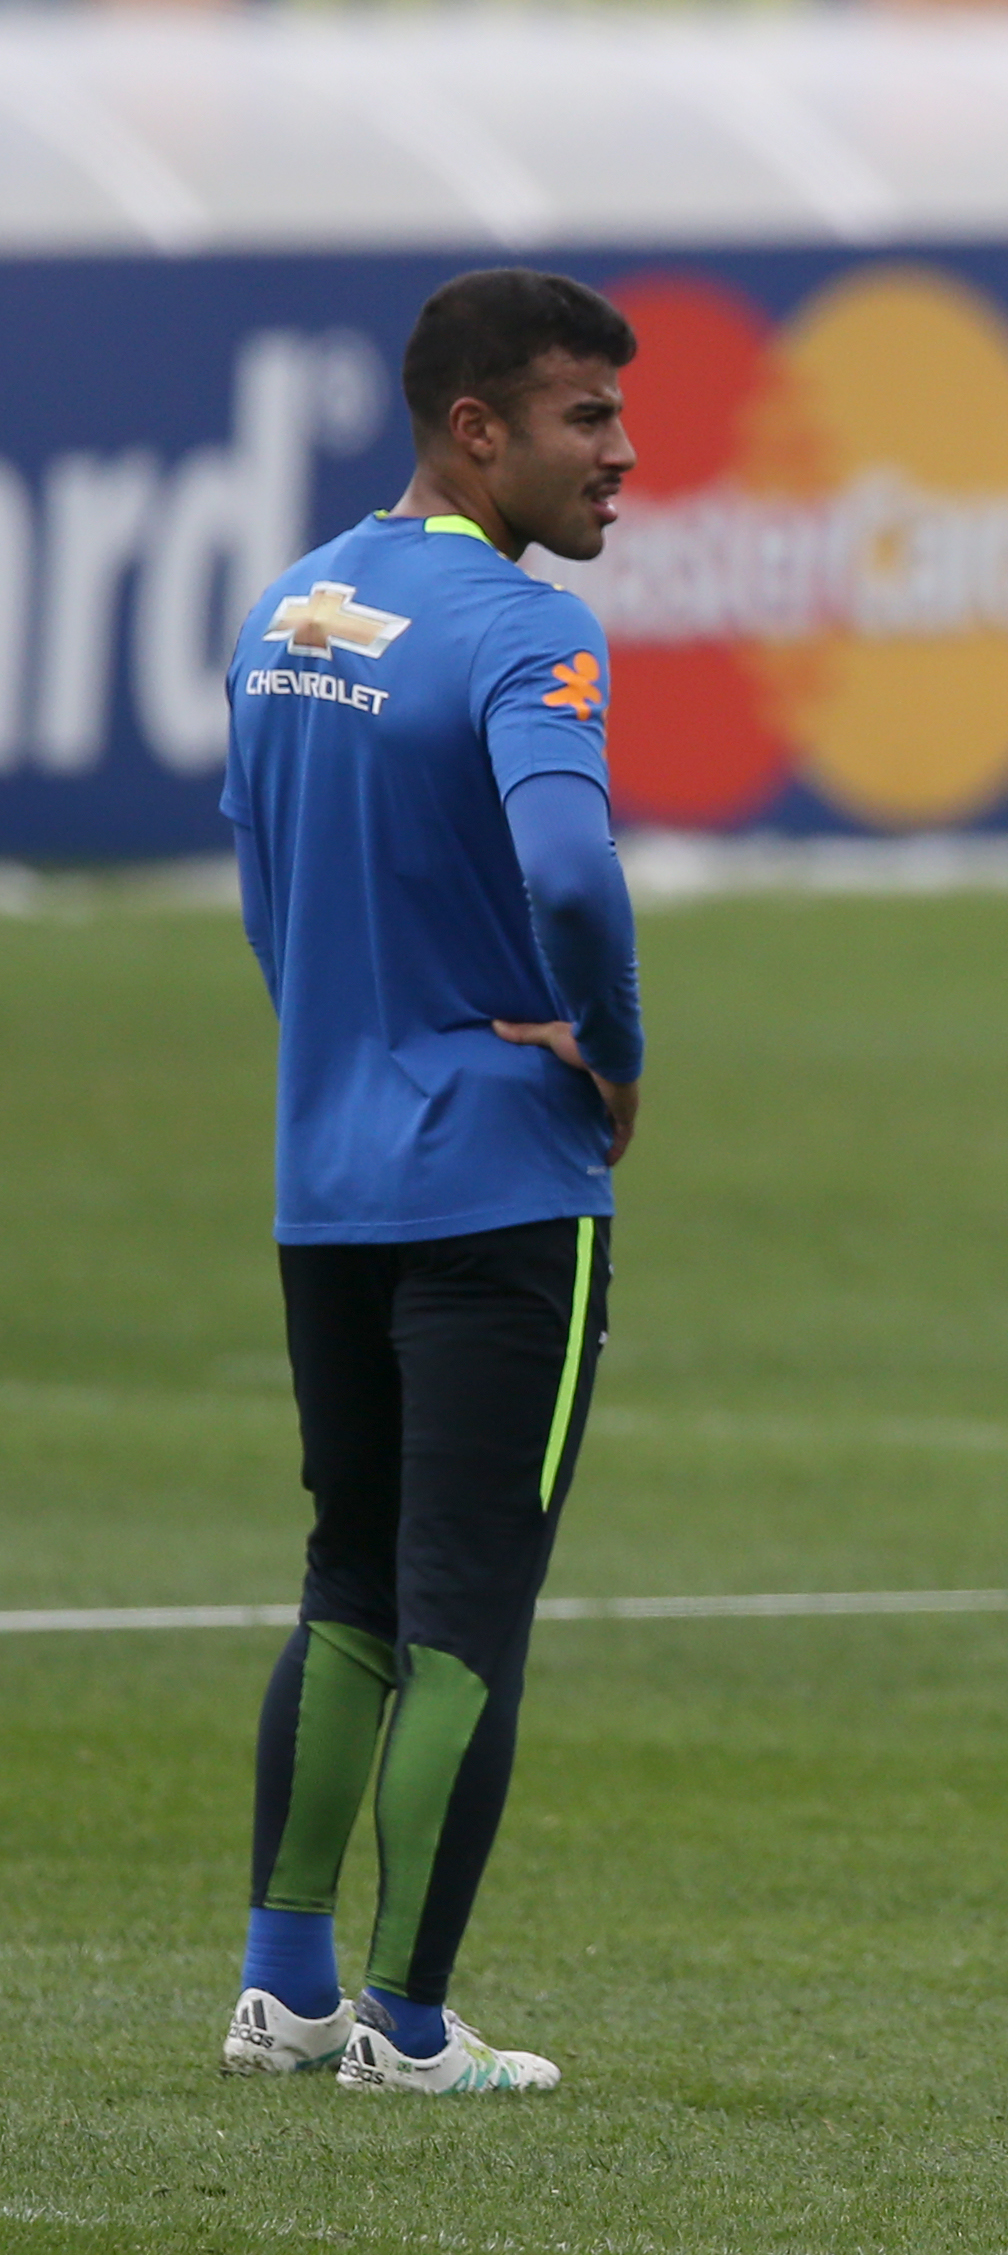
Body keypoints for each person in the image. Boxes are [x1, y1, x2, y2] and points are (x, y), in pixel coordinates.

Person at [214, 269, 644, 2095]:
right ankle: (402, 2023)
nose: (623, 458)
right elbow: (572, 873)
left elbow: (266, 885)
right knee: (467, 1604)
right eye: (584, 420)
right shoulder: (516, 631)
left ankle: (281, 1988)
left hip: (329, 1176)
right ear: (477, 430)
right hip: (496, 1189)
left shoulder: (289, 608)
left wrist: (343, 1043)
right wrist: (607, 1050)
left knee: (347, 1585)